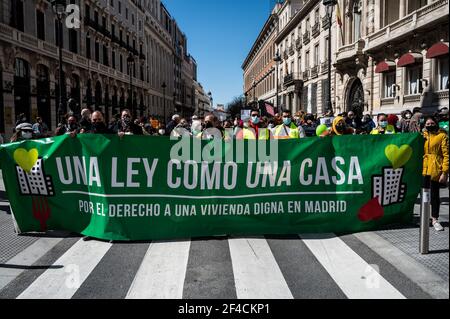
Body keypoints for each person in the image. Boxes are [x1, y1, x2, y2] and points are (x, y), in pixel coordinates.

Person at [422, 116, 449, 231]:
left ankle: (435, 219)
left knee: (434, 196)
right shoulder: (424, 136)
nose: (429, 125)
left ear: (436, 123)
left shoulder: (442, 136)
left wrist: (445, 172)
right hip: (424, 170)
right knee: (424, 196)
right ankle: (425, 217)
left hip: (435, 170)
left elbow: (447, 155)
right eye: (427, 124)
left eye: (432, 123)